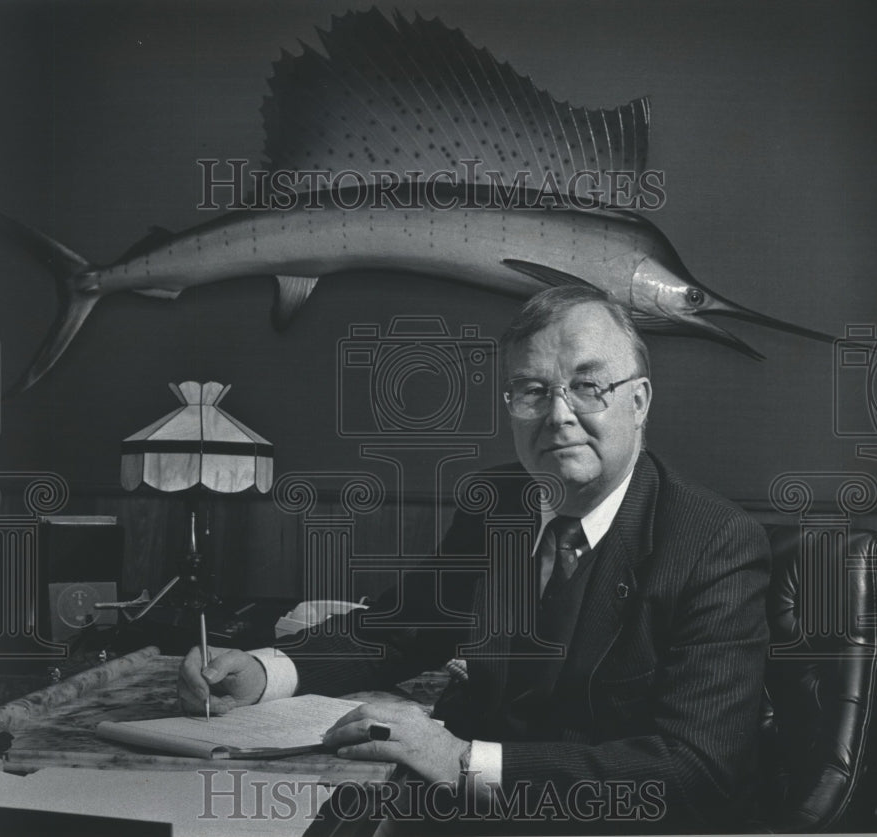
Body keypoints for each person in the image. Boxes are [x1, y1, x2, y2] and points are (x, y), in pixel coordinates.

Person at [179, 286, 771, 832]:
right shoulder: (498, 505)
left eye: (589, 386)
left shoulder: (713, 542)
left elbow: (696, 769)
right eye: (533, 391)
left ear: (639, 401)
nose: (559, 415)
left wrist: (466, 762)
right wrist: (263, 671)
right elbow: (400, 630)